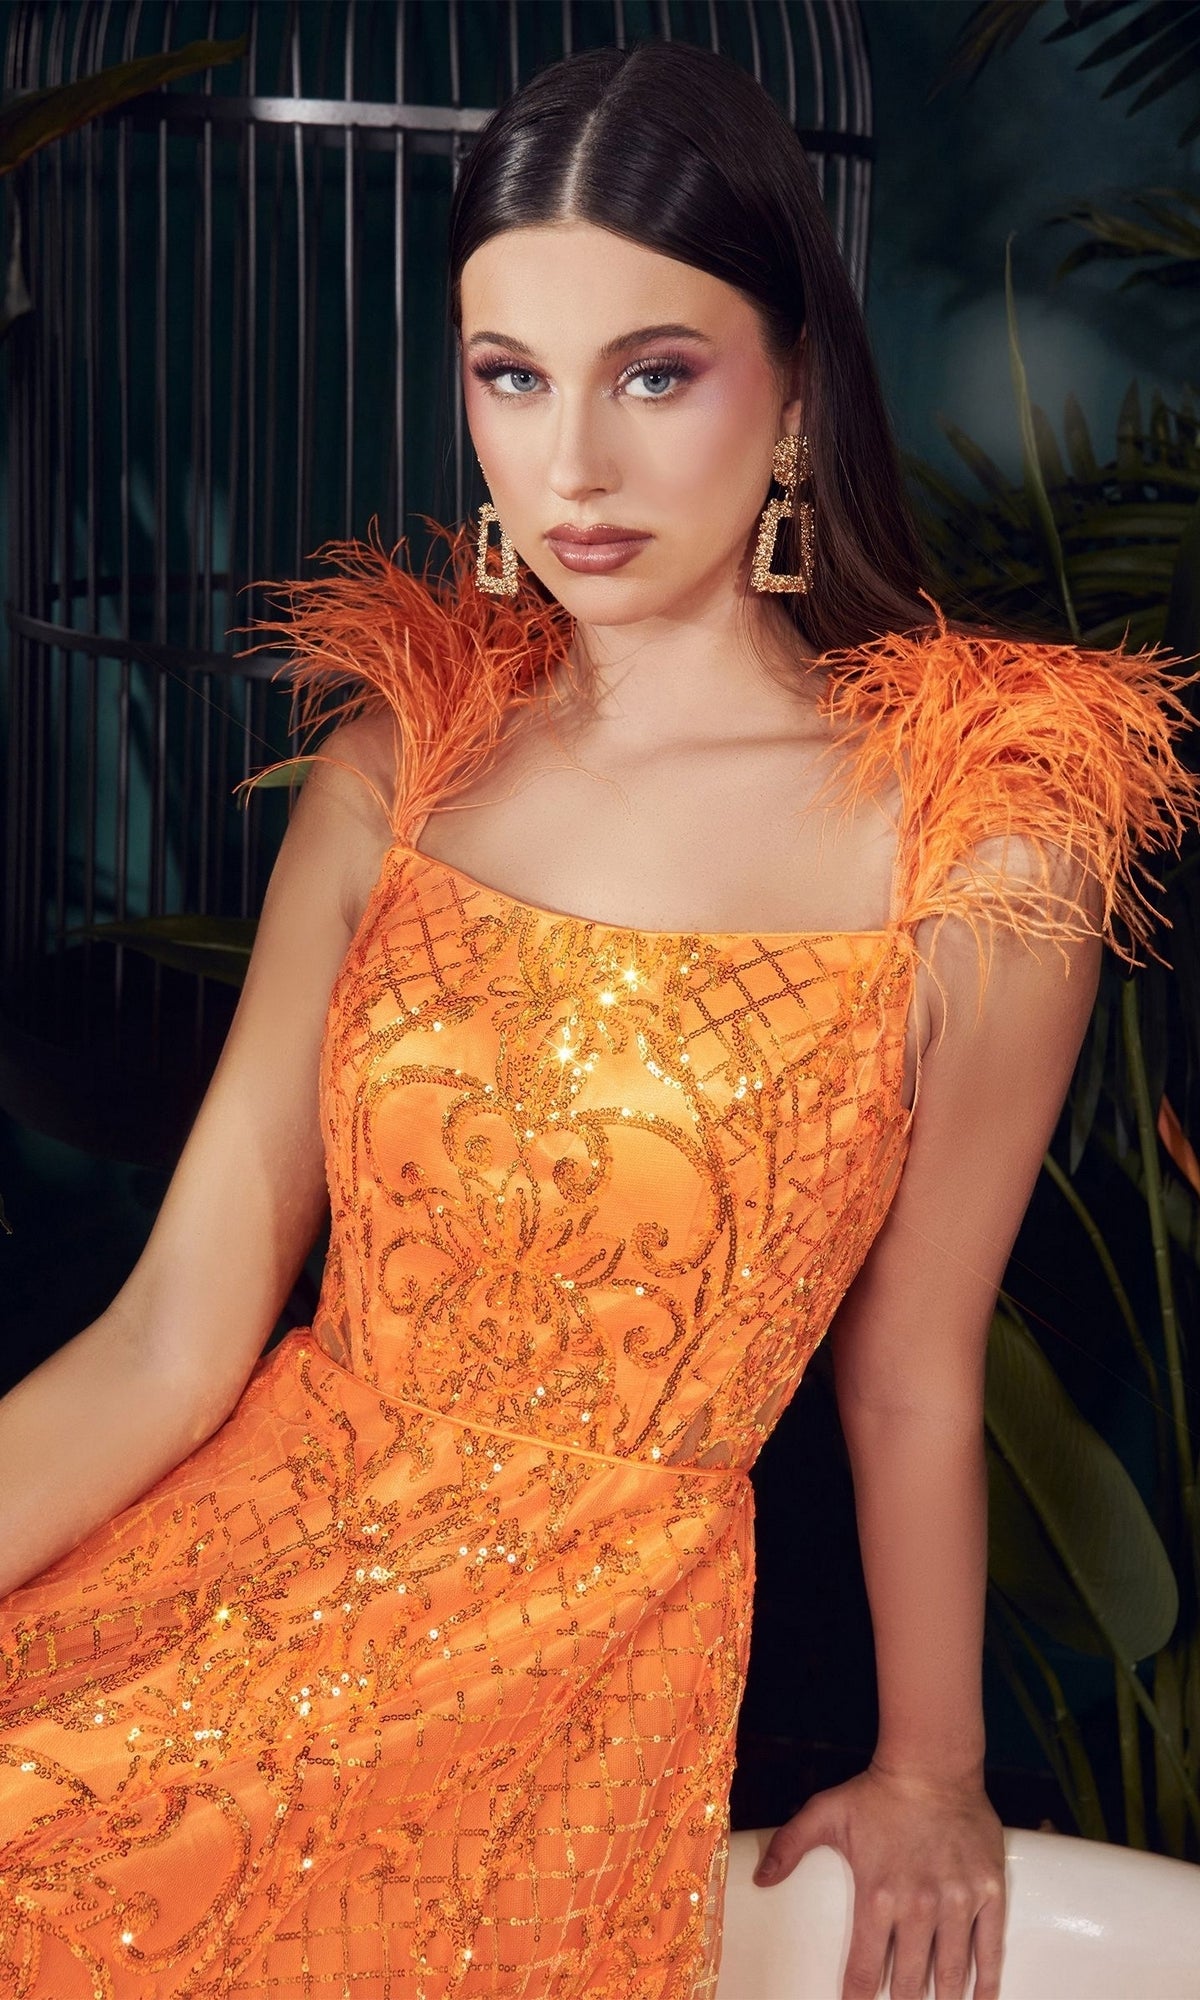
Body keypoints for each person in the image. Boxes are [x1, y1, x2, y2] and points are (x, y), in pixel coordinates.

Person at [1, 37, 1197, 2000]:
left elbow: (911, 1370)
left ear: (797, 385)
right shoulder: (405, 763)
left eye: (656, 372)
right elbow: (170, 1333)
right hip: (237, 1576)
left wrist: (933, 1768)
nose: (575, 468)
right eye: (511, 377)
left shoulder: (977, 854)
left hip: (565, 1676)